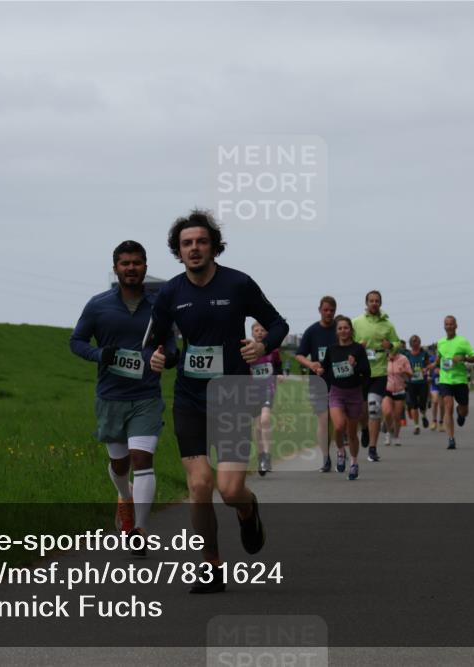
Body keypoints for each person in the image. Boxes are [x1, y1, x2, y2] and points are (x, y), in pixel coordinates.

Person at [148, 209, 288, 594]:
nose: (194, 248)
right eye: (186, 243)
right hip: (190, 397)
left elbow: (279, 324)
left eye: (201, 242)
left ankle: (248, 509)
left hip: (232, 395)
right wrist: (160, 358)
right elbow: (158, 343)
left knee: (229, 490)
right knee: (199, 485)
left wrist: (262, 344)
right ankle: (211, 566)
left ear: (213, 247)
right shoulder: (170, 293)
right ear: (178, 251)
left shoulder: (238, 284)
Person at [69, 241, 176, 556]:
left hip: (146, 396)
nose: (131, 268)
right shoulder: (98, 305)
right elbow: (76, 341)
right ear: (115, 268)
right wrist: (100, 354)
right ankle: (124, 498)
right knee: (120, 463)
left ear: (145, 266)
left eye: (137, 263)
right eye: (125, 263)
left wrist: (166, 357)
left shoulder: (159, 307)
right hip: (111, 396)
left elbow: (171, 346)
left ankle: (139, 530)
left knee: (142, 460)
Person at [352, 290, 401, 463]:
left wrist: (391, 346)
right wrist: (357, 346)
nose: (374, 303)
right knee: (362, 410)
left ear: (380, 303)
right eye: (371, 301)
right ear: (366, 303)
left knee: (374, 408)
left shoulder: (388, 325)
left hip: (379, 371)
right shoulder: (356, 322)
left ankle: (372, 448)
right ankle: (364, 429)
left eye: (377, 301)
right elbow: (346, 343)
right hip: (361, 372)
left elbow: (397, 343)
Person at [320, 315, 371, 480]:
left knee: (352, 433)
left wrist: (355, 365)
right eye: (340, 328)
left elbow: (367, 372)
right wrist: (320, 372)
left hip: (354, 393)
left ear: (351, 330)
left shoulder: (358, 349)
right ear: (336, 331)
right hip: (336, 392)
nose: (343, 331)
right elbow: (325, 370)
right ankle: (341, 451)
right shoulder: (331, 349)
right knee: (339, 426)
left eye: (346, 328)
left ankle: (354, 463)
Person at [294, 297, 339, 472]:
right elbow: (299, 355)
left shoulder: (340, 329)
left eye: (332, 310)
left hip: (339, 382)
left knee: (338, 421)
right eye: (326, 310)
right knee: (323, 420)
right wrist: (311, 364)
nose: (329, 313)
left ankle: (341, 451)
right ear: (320, 310)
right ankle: (325, 458)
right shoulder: (312, 331)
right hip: (318, 382)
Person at [428, 315, 474, 450]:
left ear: (456, 326)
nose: (449, 326)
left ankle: (460, 413)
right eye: (447, 324)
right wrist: (433, 365)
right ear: (444, 326)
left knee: (464, 410)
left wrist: (464, 358)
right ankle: (451, 439)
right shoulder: (440, 342)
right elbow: (439, 359)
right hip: (445, 380)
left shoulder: (462, 341)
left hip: (460, 380)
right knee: (448, 406)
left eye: (451, 324)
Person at [249, 321, 282, 476]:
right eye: (257, 330)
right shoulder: (248, 350)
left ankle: (267, 456)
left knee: (265, 420)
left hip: (268, 390)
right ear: (252, 333)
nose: (260, 333)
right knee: (257, 427)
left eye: (263, 330)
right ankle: (261, 456)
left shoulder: (273, 350)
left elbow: (278, 364)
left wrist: (279, 374)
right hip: (252, 393)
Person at [403, 335, 432, 435]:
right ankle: (416, 426)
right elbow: (404, 366)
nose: (415, 344)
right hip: (412, 382)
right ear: (411, 344)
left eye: (417, 342)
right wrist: (407, 373)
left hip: (422, 382)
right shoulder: (407, 355)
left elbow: (429, 365)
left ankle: (423, 416)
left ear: (419, 343)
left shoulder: (424, 353)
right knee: (414, 405)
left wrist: (426, 369)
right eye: (413, 342)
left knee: (422, 403)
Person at [385, 347, 412, 445]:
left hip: (399, 390)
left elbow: (410, 375)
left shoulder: (403, 358)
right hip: (387, 389)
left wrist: (404, 371)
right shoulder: (384, 359)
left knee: (397, 416)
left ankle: (396, 436)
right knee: (387, 413)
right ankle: (388, 433)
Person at [428, 344, 442, 431]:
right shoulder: (431, 359)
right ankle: (434, 421)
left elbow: (450, 369)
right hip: (434, 383)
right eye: (437, 349)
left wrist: (441, 371)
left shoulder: (445, 358)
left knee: (442, 405)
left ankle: (441, 422)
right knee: (435, 401)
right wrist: (429, 376)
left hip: (444, 383)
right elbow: (428, 367)